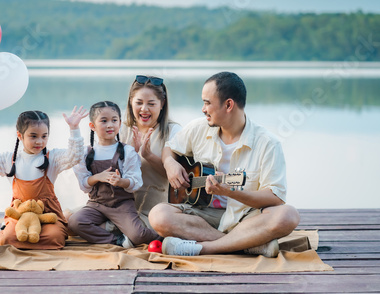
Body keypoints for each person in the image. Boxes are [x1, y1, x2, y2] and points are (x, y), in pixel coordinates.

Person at [148, 72, 300, 257]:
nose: (203, 109)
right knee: (158, 215)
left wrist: (231, 192)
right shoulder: (198, 128)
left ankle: (204, 248)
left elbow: (275, 198)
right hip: (203, 215)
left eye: (207, 102)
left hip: (246, 217)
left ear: (228, 105)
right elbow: (170, 148)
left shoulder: (267, 143)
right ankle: (249, 244)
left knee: (288, 215)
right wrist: (170, 163)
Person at [0, 107, 88, 250]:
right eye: (33, 136)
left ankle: (59, 224)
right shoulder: (10, 159)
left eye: (44, 136)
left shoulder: (53, 158)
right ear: (20, 135)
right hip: (20, 215)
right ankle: (10, 228)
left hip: (48, 214)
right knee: (6, 239)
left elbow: (74, 156)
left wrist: (74, 128)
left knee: (54, 238)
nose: (39, 141)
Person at [68, 101, 160, 247]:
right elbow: (84, 185)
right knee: (74, 222)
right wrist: (97, 177)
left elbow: (135, 182)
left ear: (120, 123)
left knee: (138, 235)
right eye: (104, 121)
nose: (110, 125)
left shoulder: (127, 151)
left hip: (121, 205)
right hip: (96, 204)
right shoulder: (87, 153)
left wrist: (120, 181)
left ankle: (164, 236)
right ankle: (117, 240)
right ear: (92, 126)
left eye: (114, 120)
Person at [119, 75, 181, 227]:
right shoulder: (121, 129)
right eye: (139, 103)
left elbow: (176, 179)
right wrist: (130, 155)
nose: (144, 109)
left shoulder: (172, 131)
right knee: (72, 220)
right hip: (122, 206)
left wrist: (148, 156)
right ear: (130, 102)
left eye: (151, 104)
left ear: (162, 104)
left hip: (156, 208)